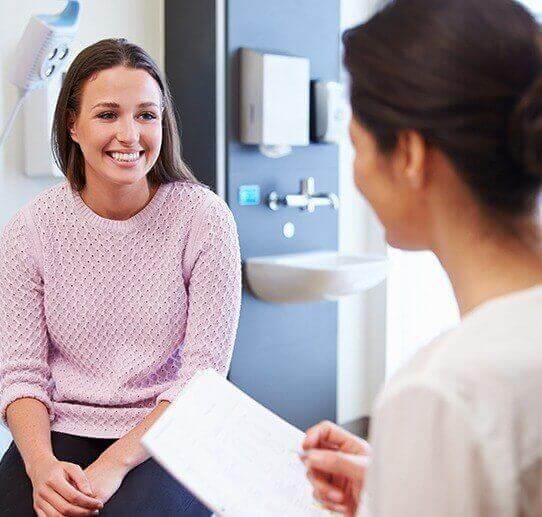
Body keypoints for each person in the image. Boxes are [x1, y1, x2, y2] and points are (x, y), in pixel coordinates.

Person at [301, 0, 542, 515]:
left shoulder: (443, 391)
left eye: (356, 146)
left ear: (408, 155)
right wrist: (402, 483)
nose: (357, 173)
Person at [0, 39, 241, 516]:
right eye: (107, 114)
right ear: (72, 124)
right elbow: (20, 373)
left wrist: (113, 465)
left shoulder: (205, 219)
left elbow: (201, 379)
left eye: (146, 115)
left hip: (169, 431)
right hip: (60, 430)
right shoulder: (31, 228)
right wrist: (41, 466)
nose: (129, 135)